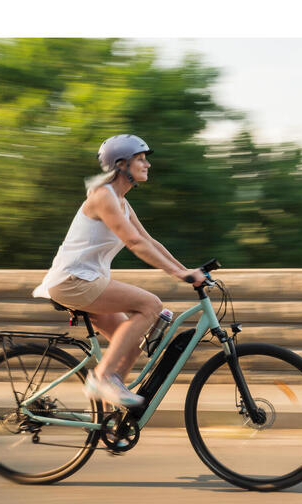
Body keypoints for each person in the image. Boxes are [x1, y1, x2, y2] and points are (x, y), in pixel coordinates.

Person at [32, 134, 206, 408]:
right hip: (73, 280)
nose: (147, 164)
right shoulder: (103, 196)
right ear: (122, 165)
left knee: (129, 344)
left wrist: (188, 271)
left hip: (89, 280)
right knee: (150, 305)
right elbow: (134, 242)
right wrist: (178, 275)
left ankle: (111, 421)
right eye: (141, 159)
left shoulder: (122, 201)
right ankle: (102, 379)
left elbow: (149, 241)